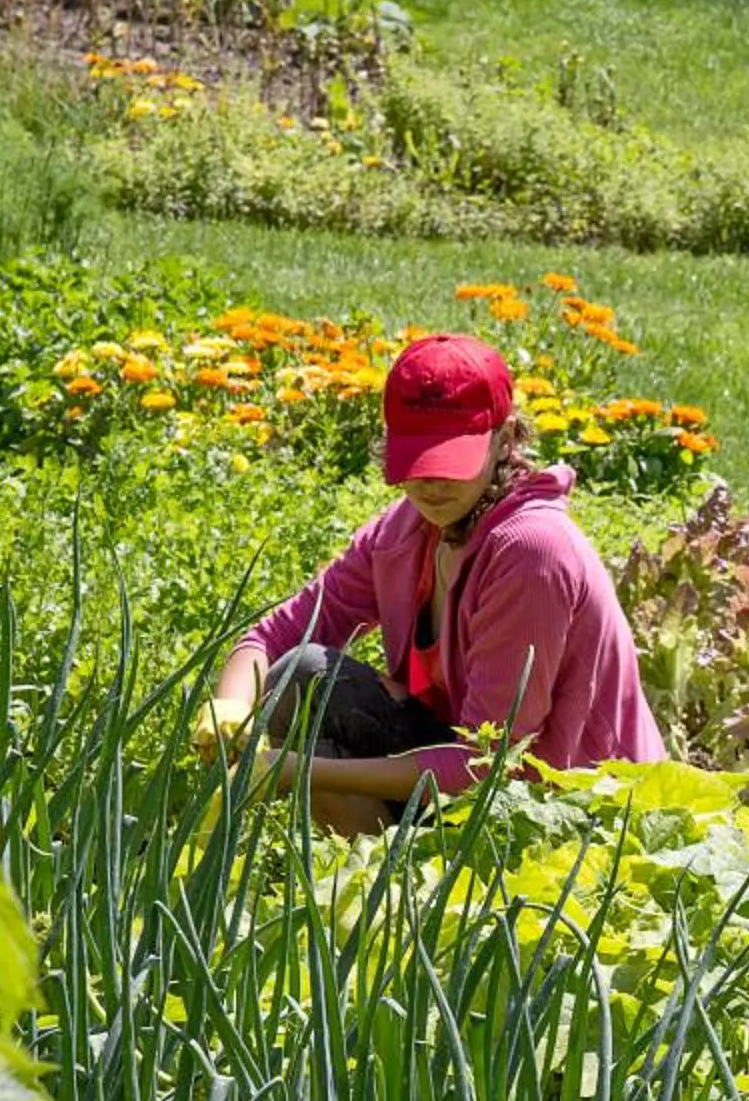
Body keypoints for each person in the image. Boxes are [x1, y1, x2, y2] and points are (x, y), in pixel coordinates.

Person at [192, 332, 668, 831]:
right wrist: (230, 705)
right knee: (302, 672)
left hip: (564, 807)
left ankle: (407, 893)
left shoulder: (531, 553)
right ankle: (387, 885)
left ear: (506, 440)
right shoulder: (410, 531)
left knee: (320, 766)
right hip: (461, 769)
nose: (432, 483)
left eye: (452, 461)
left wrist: (297, 771)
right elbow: (274, 636)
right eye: (419, 459)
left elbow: (490, 766)